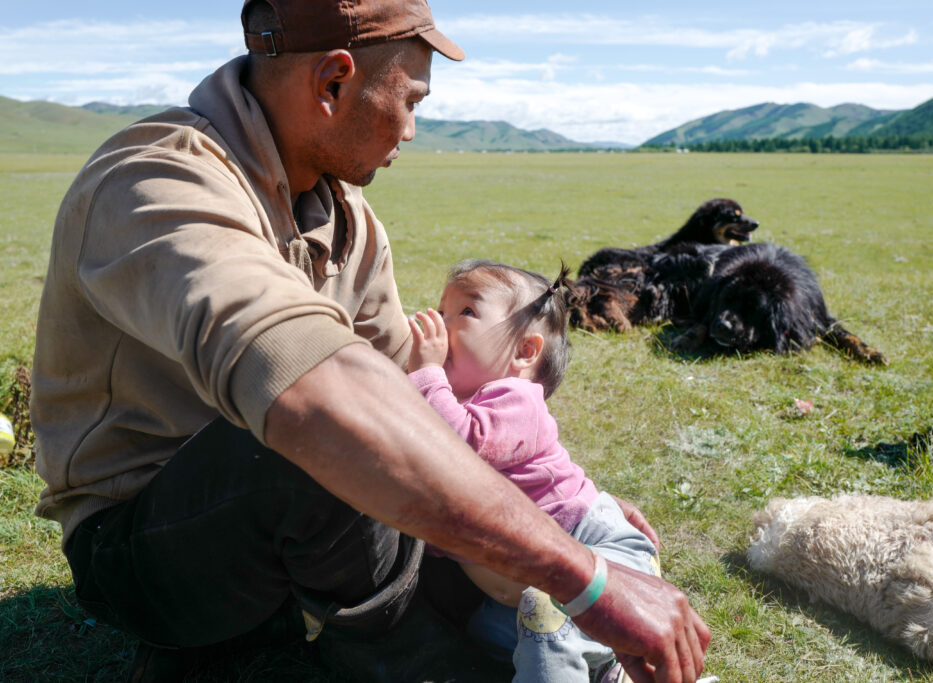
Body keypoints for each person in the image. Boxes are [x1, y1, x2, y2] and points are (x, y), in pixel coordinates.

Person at [29, 0, 711, 680]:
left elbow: (408, 385)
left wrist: (556, 510)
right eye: (409, 99)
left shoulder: (347, 219)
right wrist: (582, 575)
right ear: (333, 82)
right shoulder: (156, 179)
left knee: (440, 499)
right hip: (144, 545)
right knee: (324, 435)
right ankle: (397, 656)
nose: (412, 129)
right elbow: (321, 394)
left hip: (299, 534)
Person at [406, 259, 663, 682]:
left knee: (545, 619)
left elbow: (458, 451)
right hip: (524, 585)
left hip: (600, 556)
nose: (441, 322)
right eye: (442, 309)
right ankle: (605, 670)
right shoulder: (451, 403)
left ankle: (604, 659)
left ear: (525, 351)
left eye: (465, 312)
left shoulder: (518, 399)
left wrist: (427, 374)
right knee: (487, 637)